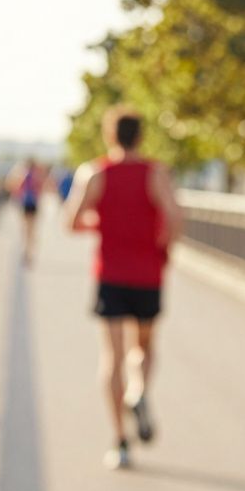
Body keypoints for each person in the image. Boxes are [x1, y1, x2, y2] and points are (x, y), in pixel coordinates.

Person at [65, 107, 183, 470]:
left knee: (112, 357)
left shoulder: (95, 173)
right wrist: (162, 247)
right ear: (141, 136)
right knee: (144, 347)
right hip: (148, 274)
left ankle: (119, 442)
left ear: (110, 136)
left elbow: (71, 221)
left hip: (110, 274)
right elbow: (175, 217)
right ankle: (139, 391)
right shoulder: (156, 173)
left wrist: (99, 224)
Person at [6, 157, 49, 266]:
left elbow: (14, 188)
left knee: (25, 228)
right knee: (32, 229)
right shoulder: (37, 175)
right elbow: (42, 189)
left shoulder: (23, 175)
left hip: (25, 204)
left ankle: (26, 250)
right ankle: (30, 251)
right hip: (34, 204)